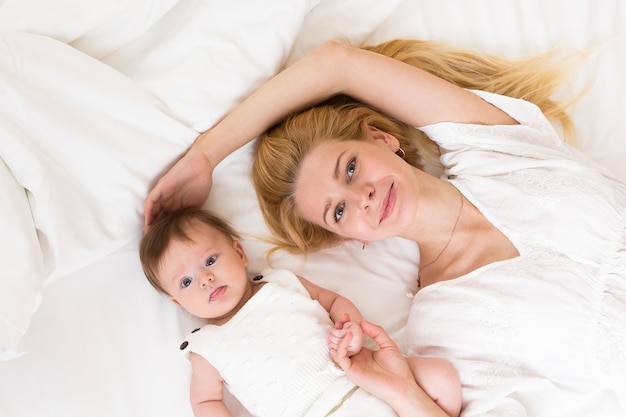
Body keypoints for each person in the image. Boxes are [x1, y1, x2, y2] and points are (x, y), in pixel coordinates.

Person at [144, 39, 626, 415]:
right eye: (338, 212)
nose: (362, 197)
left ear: (382, 138)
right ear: (351, 239)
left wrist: (206, 155)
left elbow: (339, 63)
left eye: (350, 168)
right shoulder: (442, 328)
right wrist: (404, 395)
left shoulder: (498, 151)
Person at [139, 207, 462, 417]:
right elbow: (206, 402)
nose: (206, 279)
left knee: (440, 375)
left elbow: (334, 302)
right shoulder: (206, 347)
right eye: (185, 281)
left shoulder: (281, 282)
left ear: (239, 253)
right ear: (178, 303)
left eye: (210, 261)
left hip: (368, 380)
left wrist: (352, 328)